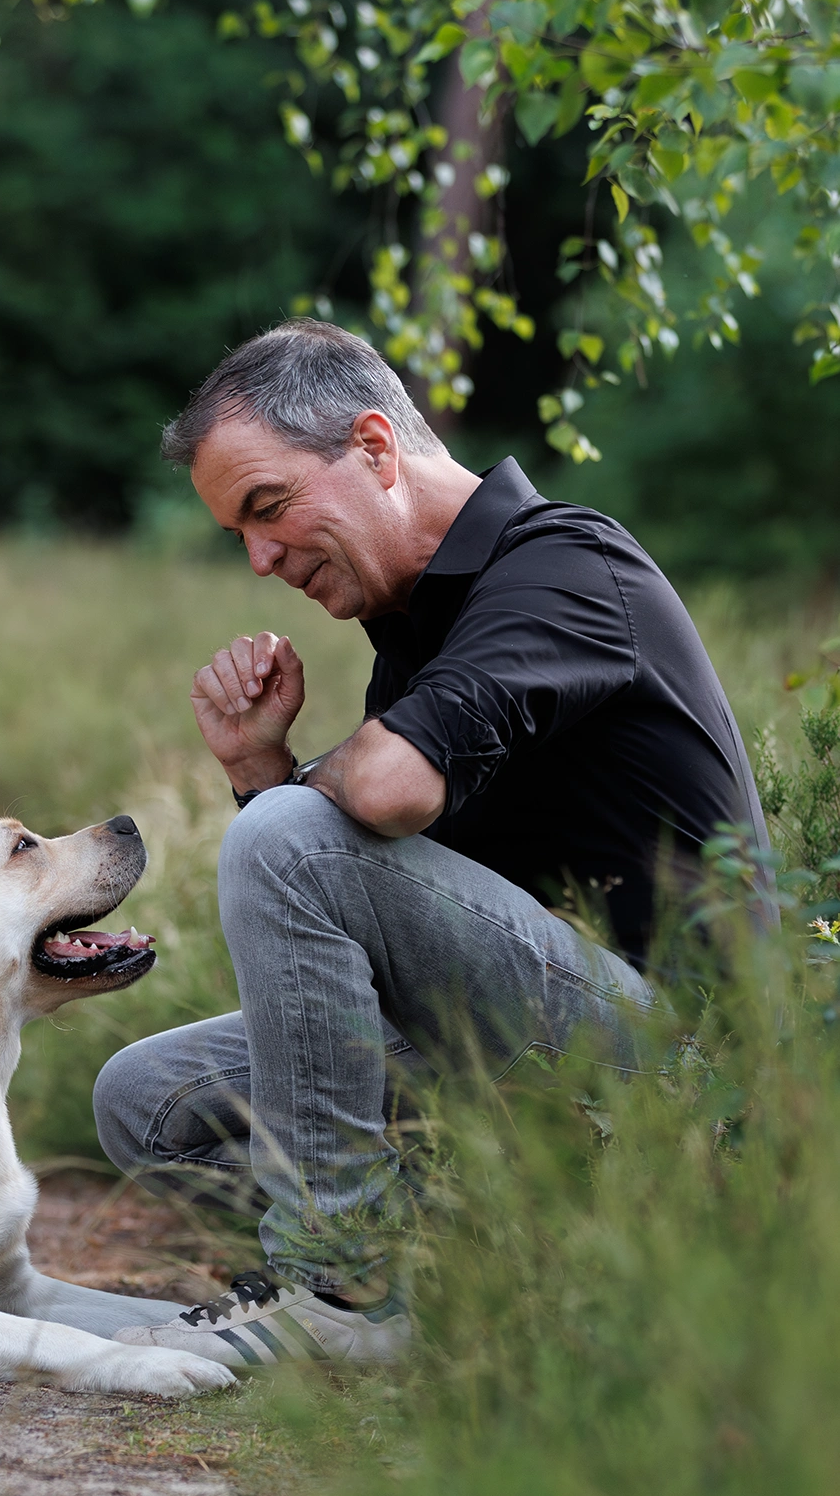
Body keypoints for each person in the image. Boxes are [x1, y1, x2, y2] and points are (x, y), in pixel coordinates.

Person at [100, 318, 771, 1371]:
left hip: (687, 1063)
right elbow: (382, 892)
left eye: (266, 510)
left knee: (291, 834)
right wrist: (254, 769)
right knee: (145, 1103)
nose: (262, 561)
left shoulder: (562, 561)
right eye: (239, 534)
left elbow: (383, 789)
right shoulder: (412, 630)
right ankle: (474, 1286)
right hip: (525, 1034)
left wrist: (290, 794)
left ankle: (341, 1283)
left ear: (373, 447)